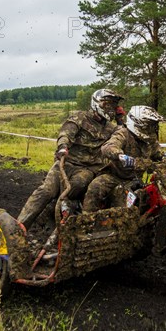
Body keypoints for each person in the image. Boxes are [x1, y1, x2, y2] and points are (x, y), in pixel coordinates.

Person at [16, 89, 124, 229]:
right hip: (67, 163)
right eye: (108, 105)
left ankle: (62, 209)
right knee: (45, 191)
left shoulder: (112, 128)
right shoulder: (79, 117)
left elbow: (124, 137)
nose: (111, 109)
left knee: (78, 183)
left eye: (114, 106)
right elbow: (65, 133)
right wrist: (63, 146)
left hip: (89, 168)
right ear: (98, 104)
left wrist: (121, 120)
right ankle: (19, 226)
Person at [81, 105, 166, 213]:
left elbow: (157, 152)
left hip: (136, 179)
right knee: (95, 187)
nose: (152, 128)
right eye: (149, 125)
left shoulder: (149, 140)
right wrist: (120, 156)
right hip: (114, 176)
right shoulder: (123, 133)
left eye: (153, 125)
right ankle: (87, 220)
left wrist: (165, 157)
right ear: (138, 123)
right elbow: (108, 147)